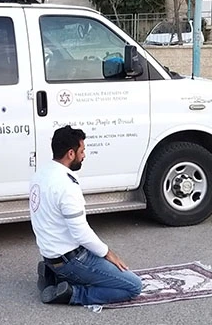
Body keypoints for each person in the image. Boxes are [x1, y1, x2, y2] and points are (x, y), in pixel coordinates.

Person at [28, 125, 143, 305]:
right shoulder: (67, 186)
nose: (84, 155)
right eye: (82, 150)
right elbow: (81, 233)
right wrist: (108, 254)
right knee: (133, 286)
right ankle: (73, 293)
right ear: (70, 154)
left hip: (51, 254)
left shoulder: (40, 174)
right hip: (72, 260)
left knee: (98, 264)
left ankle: (53, 275)